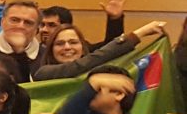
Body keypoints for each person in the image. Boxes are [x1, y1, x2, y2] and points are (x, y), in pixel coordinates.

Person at [33, 20, 166, 80]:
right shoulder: (43, 73)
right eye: (60, 43)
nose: (67, 47)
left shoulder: (100, 72)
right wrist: (139, 33)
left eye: (73, 42)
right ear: (51, 50)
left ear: (83, 48)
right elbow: (82, 65)